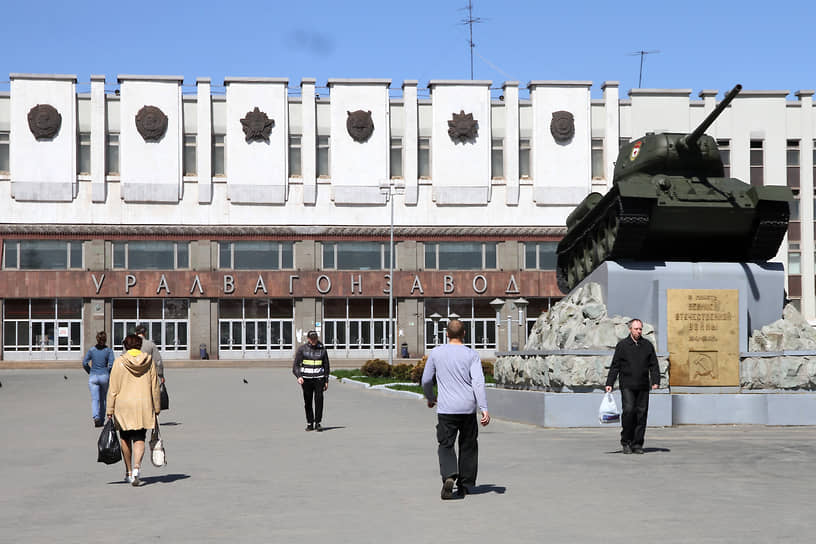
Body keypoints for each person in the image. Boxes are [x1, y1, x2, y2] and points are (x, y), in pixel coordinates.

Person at [422, 319, 490, 500]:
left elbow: (426, 380)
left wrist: (430, 397)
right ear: (464, 334)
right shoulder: (471, 354)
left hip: (446, 409)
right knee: (468, 446)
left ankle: (450, 474)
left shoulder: (436, 353)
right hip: (467, 409)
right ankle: (465, 485)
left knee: (445, 444)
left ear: (447, 334)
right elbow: (478, 382)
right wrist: (483, 408)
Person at [106, 334, 160, 486]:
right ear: (139, 345)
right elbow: (154, 386)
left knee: (125, 437)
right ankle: (137, 468)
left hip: (123, 406)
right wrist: (156, 407)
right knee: (139, 438)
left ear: (126, 346)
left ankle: (128, 471)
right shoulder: (148, 362)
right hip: (143, 404)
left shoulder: (119, 362)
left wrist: (109, 409)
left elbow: (113, 389)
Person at [605, 318, 660, 455]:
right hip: (627, 385)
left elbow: (653, 364)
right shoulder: (623, 345)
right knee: (629, 411)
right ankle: (626, 442)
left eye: (640, 329)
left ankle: (637, 444)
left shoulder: (647, 345)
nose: (639, 331)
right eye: (636, 329)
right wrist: (609, 383)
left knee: (641, 415)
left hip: (643, 386)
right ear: (630, 329)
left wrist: (655, 380)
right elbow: (615, 365)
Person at [292, 330, 330, 432]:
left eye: (315, 338)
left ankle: (318, 423)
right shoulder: (302, 349)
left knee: (319, 400)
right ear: (308, 339)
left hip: (319, 379)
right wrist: (299, 376)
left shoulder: (322, 349)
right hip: (306, 380)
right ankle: (310, 423)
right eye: (312, 339)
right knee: (308, 401)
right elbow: (295, 366)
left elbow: (326, 365)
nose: (314, 341)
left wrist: (326, 380)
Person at [82, 331, 115, 427]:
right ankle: (101, 418)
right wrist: (108, 373)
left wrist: (90, 371)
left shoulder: (92, 350)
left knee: (95, 399)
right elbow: (112, 364)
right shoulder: (108, 351)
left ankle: (96, 417)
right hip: (104, 375)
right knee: (103, 399)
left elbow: (84, 362)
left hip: (93, 376)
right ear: (105, 340)